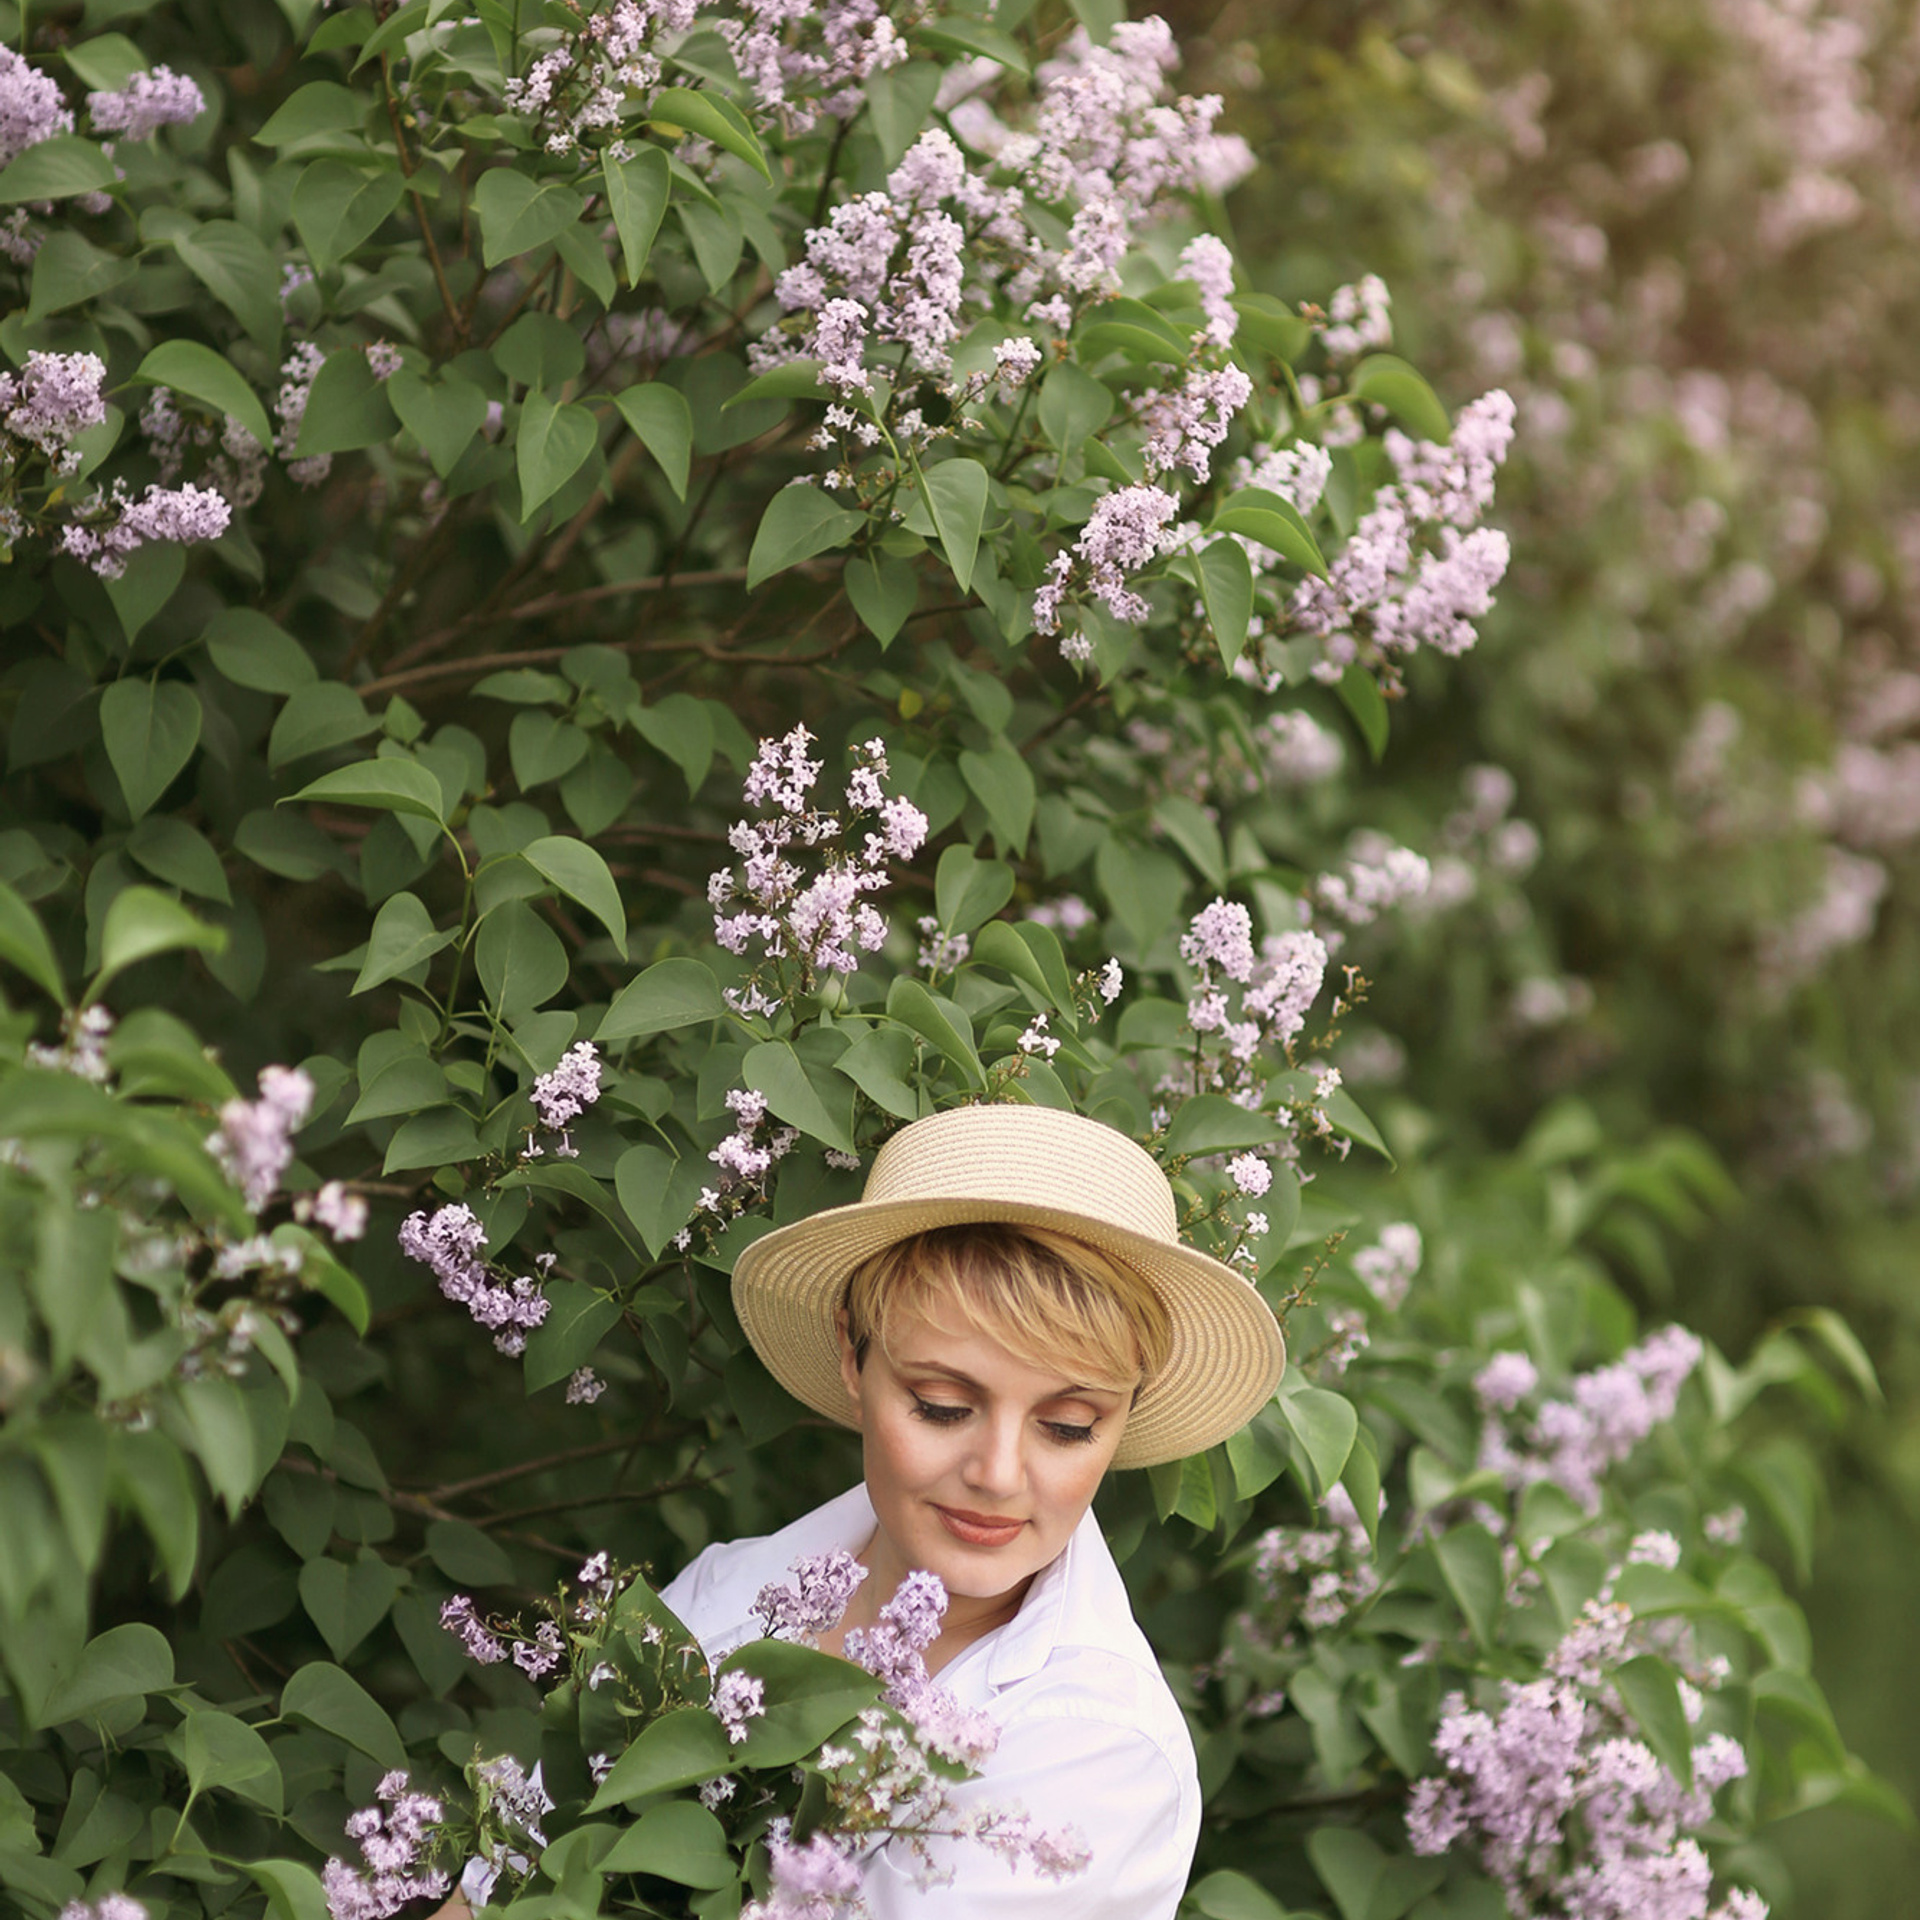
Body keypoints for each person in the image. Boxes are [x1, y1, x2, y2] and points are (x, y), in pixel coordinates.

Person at [460, 1102, 1286, 1917]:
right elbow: (500, 1885)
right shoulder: (729, 1587)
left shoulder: (1098, 1754)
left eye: (1068, 1426)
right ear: (854, 1357)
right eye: (940, 1405)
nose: (998, 1475)